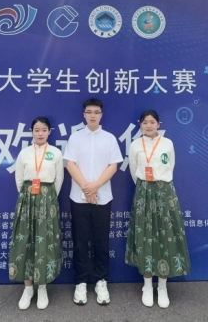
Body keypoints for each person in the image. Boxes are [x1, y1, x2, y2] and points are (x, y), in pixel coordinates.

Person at [125, 109, 190, 309]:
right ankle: (146, 285)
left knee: (165, 235)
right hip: (143, 191)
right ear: (140, 125)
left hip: (165, 192)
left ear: (158, 124)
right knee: (145, 235)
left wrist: (159, 183)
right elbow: (134, 171)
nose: (149, 125)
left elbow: (171, 166)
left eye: (152, 122)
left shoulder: (167, 143)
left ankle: (162, 286)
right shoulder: (135, 145)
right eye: (145, 122)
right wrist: (145, 187)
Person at [63, 98, 123, 306]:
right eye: (89, 112)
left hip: (103, 197)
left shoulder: (109, 138)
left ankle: (100, 281)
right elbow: (70, 164)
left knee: (101, 240)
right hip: (78, 197)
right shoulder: (75, 138)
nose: (92, 115)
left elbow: (113, 166)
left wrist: (95, 186)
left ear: (101, 115)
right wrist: (86, 188)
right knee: (79, 240)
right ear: (84, 114)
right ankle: (80, 282)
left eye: (96, 112)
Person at [8, 117, 64, 310]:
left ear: (49, 132)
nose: (40, 133)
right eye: (37, 130)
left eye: (44, 130)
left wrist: (47, 198)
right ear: (31, 132)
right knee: (26, 240)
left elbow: (58, 181)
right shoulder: (24, 153)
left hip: (47, 200)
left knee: (44, 240)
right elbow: (19, 180)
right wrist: (28, 198)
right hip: (27, 199)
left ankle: (42, 287)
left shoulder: (55, 153)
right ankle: (28, 288)